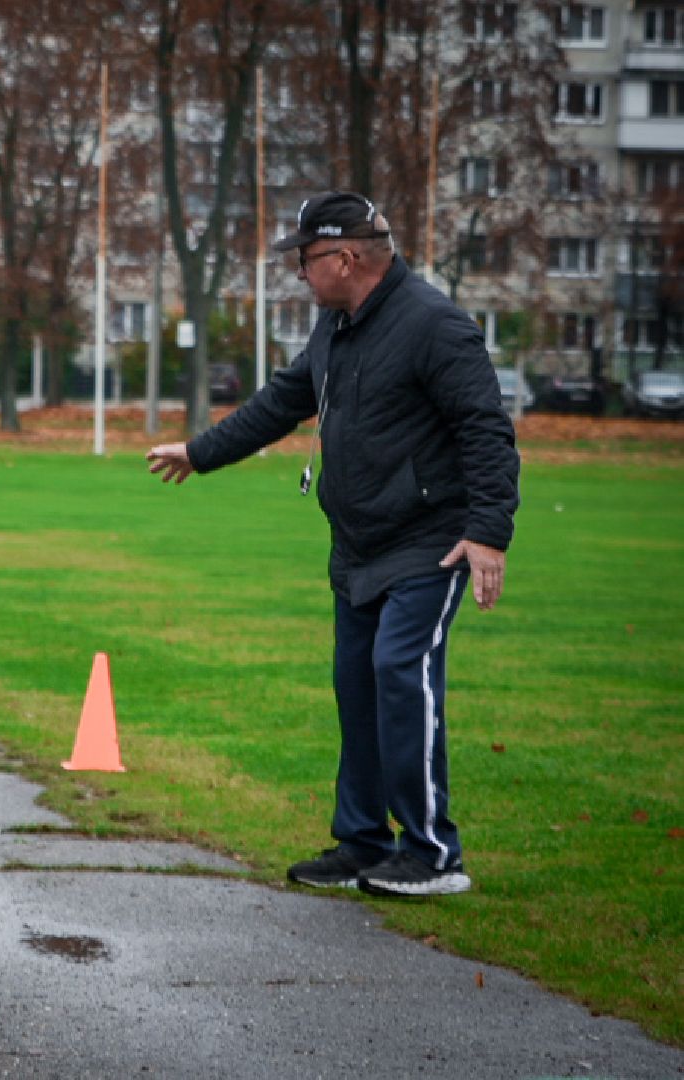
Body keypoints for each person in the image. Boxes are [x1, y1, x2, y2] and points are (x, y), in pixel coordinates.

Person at [146, 192, 519, 897]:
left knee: (400, 675)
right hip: (357, 547)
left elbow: (486, 432)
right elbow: (280, 402)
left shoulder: (435, 327)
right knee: (359, 688)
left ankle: (434, 853)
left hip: (430, 542)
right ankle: (363, 842)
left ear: (346, 258)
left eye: (306, 261)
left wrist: (487, 534)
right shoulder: (335, 329)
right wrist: (201, 452)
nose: (300, 275)